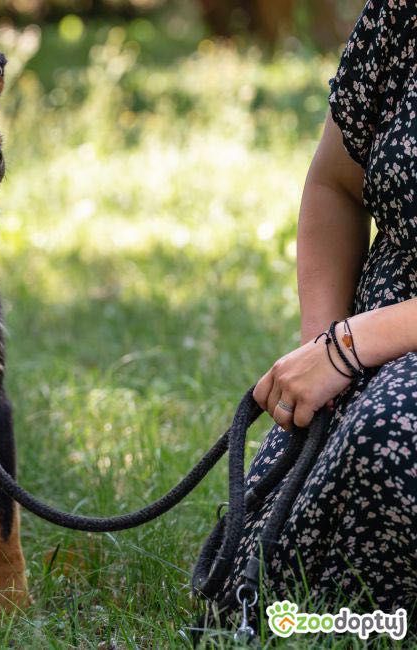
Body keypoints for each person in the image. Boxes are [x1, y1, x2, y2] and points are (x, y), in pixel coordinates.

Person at [214, 0, 416, 623]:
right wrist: (322, 343)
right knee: (251, 587)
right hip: (370, 341)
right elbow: (333, 183)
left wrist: (348, 347)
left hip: (374, 344)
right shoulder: (403, 13)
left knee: (393, 436)